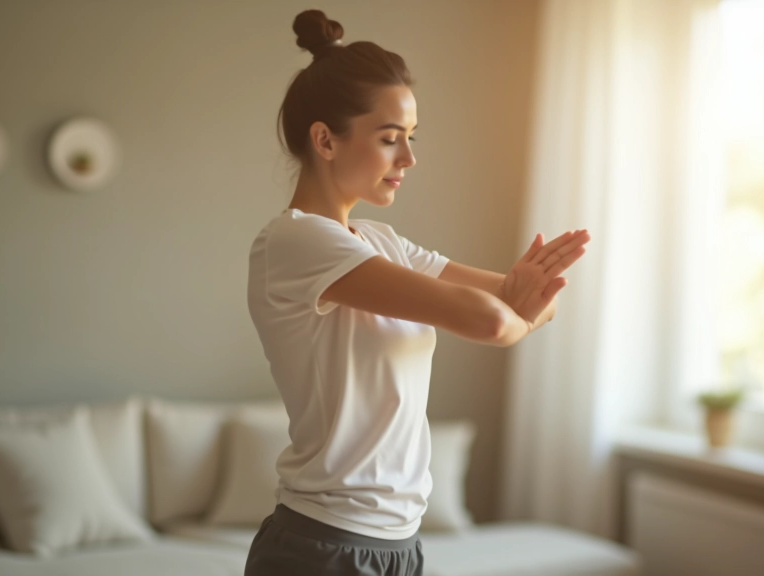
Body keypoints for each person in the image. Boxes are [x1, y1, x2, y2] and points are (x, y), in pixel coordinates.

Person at [244, 10, 590, 576]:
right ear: (325, 140)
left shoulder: (383, 241)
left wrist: (520, 303)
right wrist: (515, 311)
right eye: (389, 140)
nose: (408, 159)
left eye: (410, 138)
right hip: (323, 547)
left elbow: (529, 299)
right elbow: (488, 318)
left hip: (399, 545)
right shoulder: (295, 242)